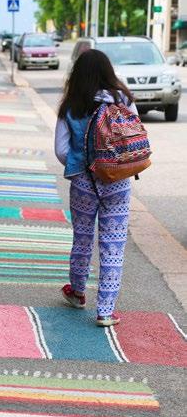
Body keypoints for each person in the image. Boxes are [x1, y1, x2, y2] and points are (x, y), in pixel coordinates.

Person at [55, 49, 138, 327]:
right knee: (113, 244)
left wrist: (81, 162)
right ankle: (105, 310)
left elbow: (60, 150)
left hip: (82, 182)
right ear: (107, 70)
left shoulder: (71, 104)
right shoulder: (122, 99)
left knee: (82, 238)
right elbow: (134, 137)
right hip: (117, 180)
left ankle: (78, 293)